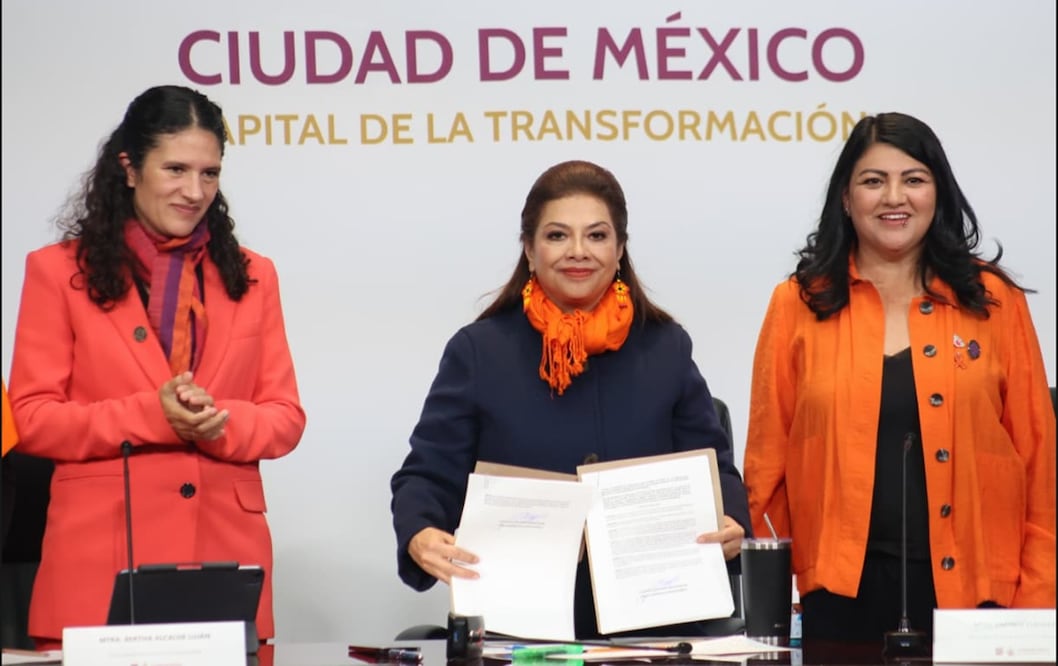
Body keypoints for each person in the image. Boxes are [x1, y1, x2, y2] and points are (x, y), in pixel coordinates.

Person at [390, 159, 750, 638]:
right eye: (558, 236)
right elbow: (426, 475)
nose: (578, 252)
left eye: (597, 236)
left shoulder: (665, 346)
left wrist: (729, 519)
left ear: (620, 250)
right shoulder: (479, 352)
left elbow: (715, 469)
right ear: (530, 250)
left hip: (656, 621)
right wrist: (419, 531)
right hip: (521, 626)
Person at [7, 85, 306, 648]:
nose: (195, 191)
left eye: (210, 173)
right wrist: (154, 415)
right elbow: (34, 418)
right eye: (175, 169)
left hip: (225, 565)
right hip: (96, 567)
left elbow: (285, 418)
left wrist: (217, 421)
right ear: (128, 167)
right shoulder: (56, 272)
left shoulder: (254, 275)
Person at [743, 112, 1056, 642]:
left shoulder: (994, 301)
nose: (895, 197)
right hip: (838, 601)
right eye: (873, 181)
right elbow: (766, 469)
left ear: (939, 193)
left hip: (981, 601)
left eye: (913, 179)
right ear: (846, 198)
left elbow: (1039, 463)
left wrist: (1037, 607)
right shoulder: (796, 303)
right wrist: (777, 604)